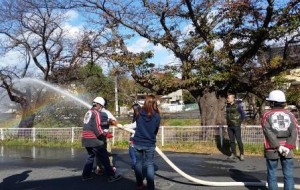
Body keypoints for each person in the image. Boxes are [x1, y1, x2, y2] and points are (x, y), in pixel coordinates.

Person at [262, 90, 298, 190]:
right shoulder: (290, 115)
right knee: (288, 174)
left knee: (272, 174)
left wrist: (278, 146)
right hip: (288, 149)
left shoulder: (266, 115)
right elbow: (294, 131)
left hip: (272, 148)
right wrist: (287, 146)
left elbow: (267, 131)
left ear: (272, 102)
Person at [81, 97, 121, 182]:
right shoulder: (96, 113)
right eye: (102, 106)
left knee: (90, 157)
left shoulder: (89, 112)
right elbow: (97, 128)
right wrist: (106, 134)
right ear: (99, 105)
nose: (102, 108)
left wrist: (107, 123)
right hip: (93, 139)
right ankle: (111, 176)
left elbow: (92, 124)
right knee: (104, 157)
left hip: (85, 138)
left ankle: (85, 176)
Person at [133, 95, 161, 190]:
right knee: (149, 164)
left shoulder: (139, 113)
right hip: (149, 143)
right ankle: (150, 187)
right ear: (155, 103)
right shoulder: (157, 116)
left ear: (145, 102)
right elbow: (156, 130)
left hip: (137, 142)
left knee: (138, 163)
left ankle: (139, 184)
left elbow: (137, 125)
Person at [226, 92, 246, 161]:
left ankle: (242, 154)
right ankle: (233, 154)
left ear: (232, 99)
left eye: (228, 98)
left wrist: (240, 122)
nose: (227, 99)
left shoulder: (238, 106)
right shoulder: (227, 106)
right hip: (229, 126)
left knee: (238, 140)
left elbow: (243, 114)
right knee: (231, 141)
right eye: (227, 98)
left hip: (236, 126)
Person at [124, 103, 142, 170]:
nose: (131, 111)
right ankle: (137, 167)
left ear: (135, 110)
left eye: (132, 110)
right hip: (134, 137)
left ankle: (137, 169)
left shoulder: (140, 117)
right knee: (133, 154)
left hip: (135, 138)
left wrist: (124, 126)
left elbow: (134, 125)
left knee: (133, 154)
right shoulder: (137, 117)